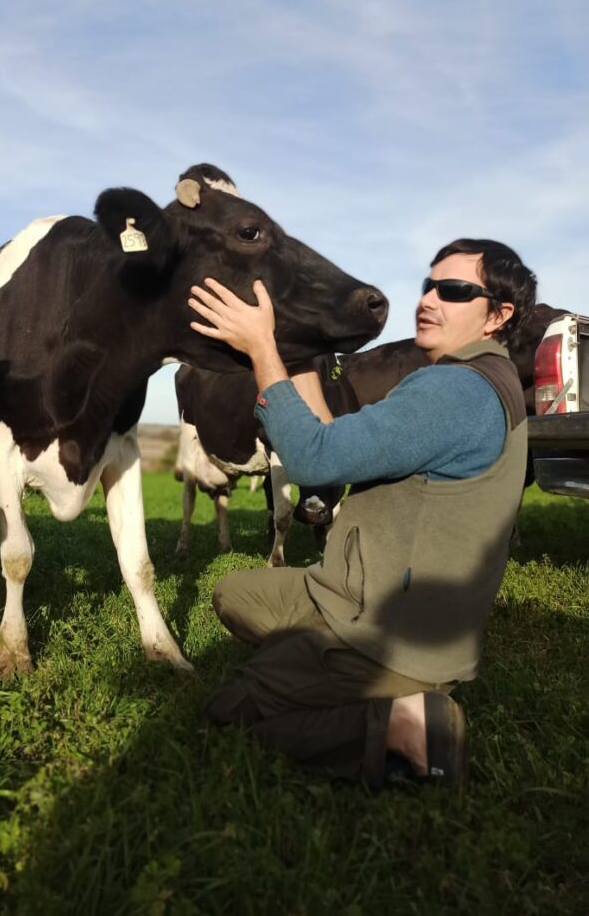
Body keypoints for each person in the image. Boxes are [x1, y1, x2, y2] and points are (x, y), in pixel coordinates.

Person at [188, 238, 537, 786]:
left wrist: (261, 351)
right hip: (361, 590)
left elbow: (310, 459)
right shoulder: (479, 381)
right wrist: (298, 351)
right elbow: (333, 445)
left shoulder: (453, 394)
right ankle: (315, 665)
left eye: (454, 291)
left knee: (230, 712)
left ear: (499, 314)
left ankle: (407, 721)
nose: (429, 299)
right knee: (233, 595)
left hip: (393, 633)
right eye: (429, 285)